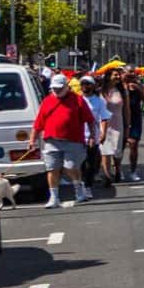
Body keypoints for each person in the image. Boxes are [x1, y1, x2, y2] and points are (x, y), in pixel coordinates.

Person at [31, 73, 94, 209]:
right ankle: (54, 197)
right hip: (51, 141)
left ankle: (78, 188)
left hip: (73, 141)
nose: (57, 91)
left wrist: (92, 136)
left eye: (59, 88)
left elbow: (89, 120)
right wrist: (32, 140)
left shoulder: (78, 100)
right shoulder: (47, 101)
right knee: (52, 169)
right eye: (54, 88)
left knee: (70, 167)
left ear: (66, 87)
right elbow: (38, 123)